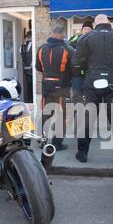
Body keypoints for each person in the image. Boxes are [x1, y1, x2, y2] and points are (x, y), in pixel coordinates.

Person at [72, 14, 113, 163]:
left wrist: (88, 65)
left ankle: (82, 153)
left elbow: (76, 61)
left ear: (95, 23)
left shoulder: (85, 38)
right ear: (108, 22)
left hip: (92, 81)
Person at [36, 23, 74, 151]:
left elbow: (38, 68)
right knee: (61, 115)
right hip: (62, 87)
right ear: (62, 33)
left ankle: (42, 140)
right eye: (63, 34)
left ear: (52, 33)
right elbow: (73, 69)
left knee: (46, 113)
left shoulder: (41, 49)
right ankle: (57, 143)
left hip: (46, 86)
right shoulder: (68, 49)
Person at [68, 21, 93, 103]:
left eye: (89, 29)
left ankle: (88, 114)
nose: (86, 31)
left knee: (90, 96)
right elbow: (69, 53)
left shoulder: (94, 40)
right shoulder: (74, 39)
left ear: (92, 30)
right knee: (77, 95)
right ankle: (76, 114)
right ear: (82, 30)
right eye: (85, 29)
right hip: (77, 74)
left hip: (90, 74)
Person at [19, 30, 33, 103]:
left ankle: (31, 100)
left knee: (31, 85)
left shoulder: (33, 45)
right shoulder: (23, 46)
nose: (29, 38)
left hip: (32, 69)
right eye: (28, 37)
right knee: (28, 86)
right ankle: (29, 100)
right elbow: (20, 51)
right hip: (27, 69)